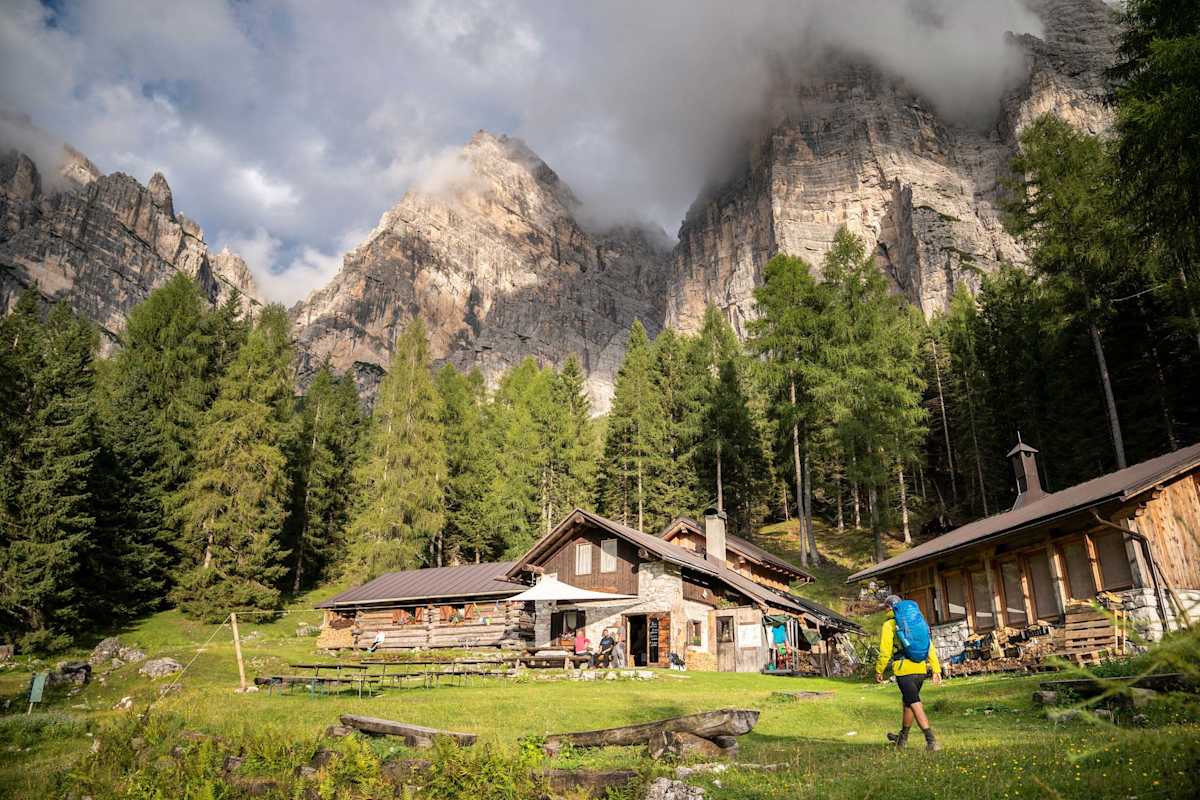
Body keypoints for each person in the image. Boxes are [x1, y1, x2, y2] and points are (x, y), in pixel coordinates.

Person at [875, 595, 942, 751]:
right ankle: (902, 738)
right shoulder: (917, 622)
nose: (884, 610)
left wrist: (879, 670)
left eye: (885, 607)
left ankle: (931, 740)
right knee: (908, 703)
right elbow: (929, 645)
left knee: (915, 703)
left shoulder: (890, 624)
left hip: (904, 670)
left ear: (890, 608)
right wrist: (936, 669)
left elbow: (885, 651)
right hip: (920, 669)